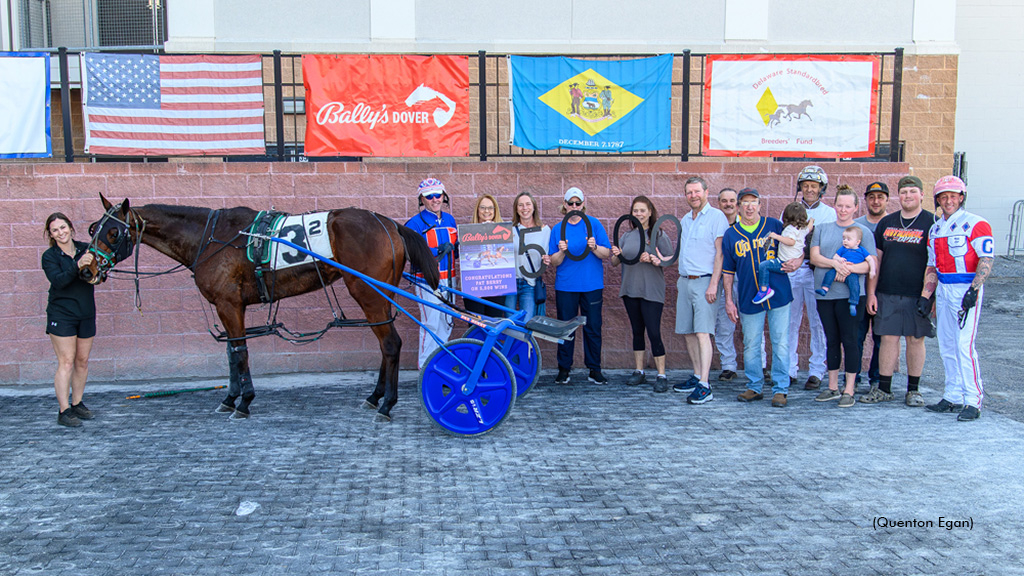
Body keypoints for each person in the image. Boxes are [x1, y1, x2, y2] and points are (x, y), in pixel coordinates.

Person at [922, 175, 994, 421]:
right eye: (944, 197)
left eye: (953, 196)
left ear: (961, 197)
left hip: (966, 288)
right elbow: (932, 265)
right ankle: (952, 395)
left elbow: (986, 260)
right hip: (943, 288)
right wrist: (926, 296)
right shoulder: (935, 228)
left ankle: (973, 401)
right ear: (938, 200)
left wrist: (974, 290)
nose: (948, 200)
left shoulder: (976, 223)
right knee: (946, 344)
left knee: (964, 346)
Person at [723, 188, 800, 407]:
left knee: (780, 342)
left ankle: (780, 389)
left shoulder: (774, 225)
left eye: (753, 202)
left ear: (760, 204)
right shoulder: (731, 234)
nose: (749, 206)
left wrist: (798, 260)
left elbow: (796, 244)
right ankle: (755, 386)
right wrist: (729, 299)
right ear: (738, 206)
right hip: (749, 296)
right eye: (745, 202)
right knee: (751, 344)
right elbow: (728, 271)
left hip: (778, 294)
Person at [863, 176, 935, 407]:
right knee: (888, 339)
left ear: (922, 195)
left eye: (913, 191)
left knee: (915, 340)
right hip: (887, 292)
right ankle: (884, 388)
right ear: (898, 195)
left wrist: (927, 295)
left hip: (917, 294)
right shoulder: (887, 223)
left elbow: (933, 264)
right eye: (903, 192)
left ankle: (913, 390)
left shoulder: (932, 223)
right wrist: (871, 293)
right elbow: (876, 262)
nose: (908, 196)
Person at [809, 185, 876, 408]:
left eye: (848, 206)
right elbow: (815, 258)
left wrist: (847, 270)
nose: (843, 210)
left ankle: (849, 389)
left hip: (851, 296)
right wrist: (835, 264)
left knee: (850, 340)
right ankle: (832, 387)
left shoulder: (863, 232)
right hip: (825, 295)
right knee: (831, 340)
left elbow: (869, 265)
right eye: (839, 205)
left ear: (856, 207)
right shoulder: (822, 228)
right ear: (834, 205)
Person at [543, 187, 612, 385]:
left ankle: (594, 369)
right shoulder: (558, 228)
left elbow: (606, 254)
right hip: (566, 285)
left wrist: (594, 247)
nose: (574, 206)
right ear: (564, 205)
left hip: (591, 285)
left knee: (593, 327)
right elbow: (554, 262)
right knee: (565, 329)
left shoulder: (594, 224)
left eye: (578, 203)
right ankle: (564, 369)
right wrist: (562, 250)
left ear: (583, 204)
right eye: (570, 203)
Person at [610, 196, 674, 392]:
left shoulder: (659, 234)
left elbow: (670, 259)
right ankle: (639, 371)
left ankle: (661, 374)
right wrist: (616, 254)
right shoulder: (627, 236)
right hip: (630, 290)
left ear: (650, 212)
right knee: (637, 331)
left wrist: (655, 258)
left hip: (651, 291)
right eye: (635, 210)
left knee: (654, 332)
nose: (638, 214)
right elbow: (614, 263)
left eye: (642, 210)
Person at [674, 176, 729, 404]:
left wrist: (714, 284)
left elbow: (720, 253)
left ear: (706, 192)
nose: (693, 196)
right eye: (689, 192)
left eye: (697, 191)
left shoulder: (717, 217)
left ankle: (705, 385)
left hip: (705, 281)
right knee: (687, 332)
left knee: (703, 332)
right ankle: (697, 376)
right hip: (684, 280)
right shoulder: (686, 219)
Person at [41, 212, 98, 428]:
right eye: (55, 230)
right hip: (61, 314)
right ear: (51, 234)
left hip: (86, 312)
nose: (60, 232)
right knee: (66, 361)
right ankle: (63, 410)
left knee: (82, 361)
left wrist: (97, 274)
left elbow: (97, 273)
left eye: (63, 227)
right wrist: (77, 264)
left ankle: (77, 404)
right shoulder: (50, 256)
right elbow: (59, 281)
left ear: (71, 228)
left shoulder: (86, 248)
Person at [713, 188, 767, 382]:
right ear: (719, 204)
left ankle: (760, 365)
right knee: (724, 325)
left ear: (738, 204)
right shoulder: (715, 224)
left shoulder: (746, 223)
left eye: (731, 201)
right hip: (723, 280)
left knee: (753, 324)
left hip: (746, 279)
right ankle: (728, 365)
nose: (728, 204)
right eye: (724, 201)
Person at [788, 165, 835, 390]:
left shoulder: (828, 213)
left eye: (813, 186)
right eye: (805, 186)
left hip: (816, 270)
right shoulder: (790, 210)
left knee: (817, 322)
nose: (809, 190)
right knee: (790, 320)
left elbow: (829, 243)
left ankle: (817, 369)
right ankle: (789, 368)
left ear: (821, 189)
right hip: (793, 270)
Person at [405, 178, 459, 368]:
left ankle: (441, 366)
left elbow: (457, 252)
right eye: (430, 196)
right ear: (422, 199)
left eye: (438, 195)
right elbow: (411, 255)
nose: (435, 199)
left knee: (446, 323)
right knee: (431, 324)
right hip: (428, 282)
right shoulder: (414, 224)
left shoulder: (450, 220)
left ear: (444, 196)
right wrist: (437, 251)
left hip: (450, 280)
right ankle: (426, 369)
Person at [852, 181, 890, 391]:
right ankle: (853, 376)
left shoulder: (893, 224)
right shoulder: (856, 225)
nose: (876, 201)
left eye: (880, 197)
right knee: (856, 336)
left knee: (881, 337)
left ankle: (876, 377)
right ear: (865, 199)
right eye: (872, 197)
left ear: (887, 200)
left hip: (884, 291)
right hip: (859, 290)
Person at [753, 202, 813, 304]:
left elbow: (791, 241)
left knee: (764, 266)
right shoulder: (802, 229)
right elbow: (809, 227)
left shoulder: (790, 229)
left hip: (784, 261)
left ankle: (764, 290)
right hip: (794, 259)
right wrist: (811, 220)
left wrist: (776, 236)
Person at [463, 194, 511, 318]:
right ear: (477, 210)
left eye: (490, 208)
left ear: (495, 211)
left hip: (496, 287)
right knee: (476, 327)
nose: (486, 211)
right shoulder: (467, 231)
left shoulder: (502, 230)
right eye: (483, 207)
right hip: (474, 287)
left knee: (494, 324)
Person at [506, 191, 551, 320]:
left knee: (527, 323)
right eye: (520, 205)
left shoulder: (545, 231)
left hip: (529, 283)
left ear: (534, 207)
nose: (524, 208)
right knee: (509, 323)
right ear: (516, 208)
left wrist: (548, 260)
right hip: (510, 281)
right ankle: (511, 342)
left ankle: (523, 342)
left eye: (527, 204)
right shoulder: (509, 229)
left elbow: (549, 256)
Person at [814, 226, 877, 316]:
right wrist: (839, 260)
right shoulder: (843, 249)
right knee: (829, 274)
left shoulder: (862, 250)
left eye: (848, 239)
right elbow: (835, 257)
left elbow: (871, 260)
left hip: (853, 272)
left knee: (855, 285)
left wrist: (872, 271)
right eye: (844, 239)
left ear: (857, 242)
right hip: (839, 268)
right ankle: (825, 289)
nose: (845, 241)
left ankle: (853, 303)